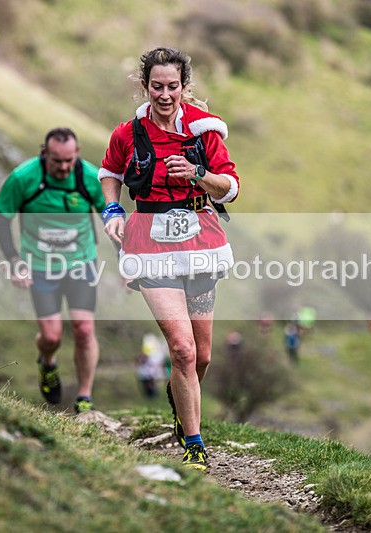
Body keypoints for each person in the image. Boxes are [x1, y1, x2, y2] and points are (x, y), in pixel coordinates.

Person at [98, 47, 241, 471]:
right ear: (144, 87)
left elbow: (230, 187)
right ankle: (194, 443)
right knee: (180, 350)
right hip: (150, 243)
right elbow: (110, 173)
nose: (165, 95)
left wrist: (196, 174)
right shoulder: (127, 133)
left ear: (185, 87)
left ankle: (181, 400)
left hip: (200, 242)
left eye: (173, 87)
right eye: (156, 87)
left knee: (202, 357)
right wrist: (112, 210)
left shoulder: (204, 133)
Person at [0, 127, 106, 414]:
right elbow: (2, 219)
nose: (64, 167)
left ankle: (84, 397)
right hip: (40, 267)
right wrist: (14, 261)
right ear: (45, 153)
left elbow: (113, 218)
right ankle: (47, 363)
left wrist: (128, 261)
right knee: (52, 336)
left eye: (70, 160)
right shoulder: (23, 178)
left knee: (83, 329)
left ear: (77, 154)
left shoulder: (90, 178)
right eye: (57, 161)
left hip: (81, 263)